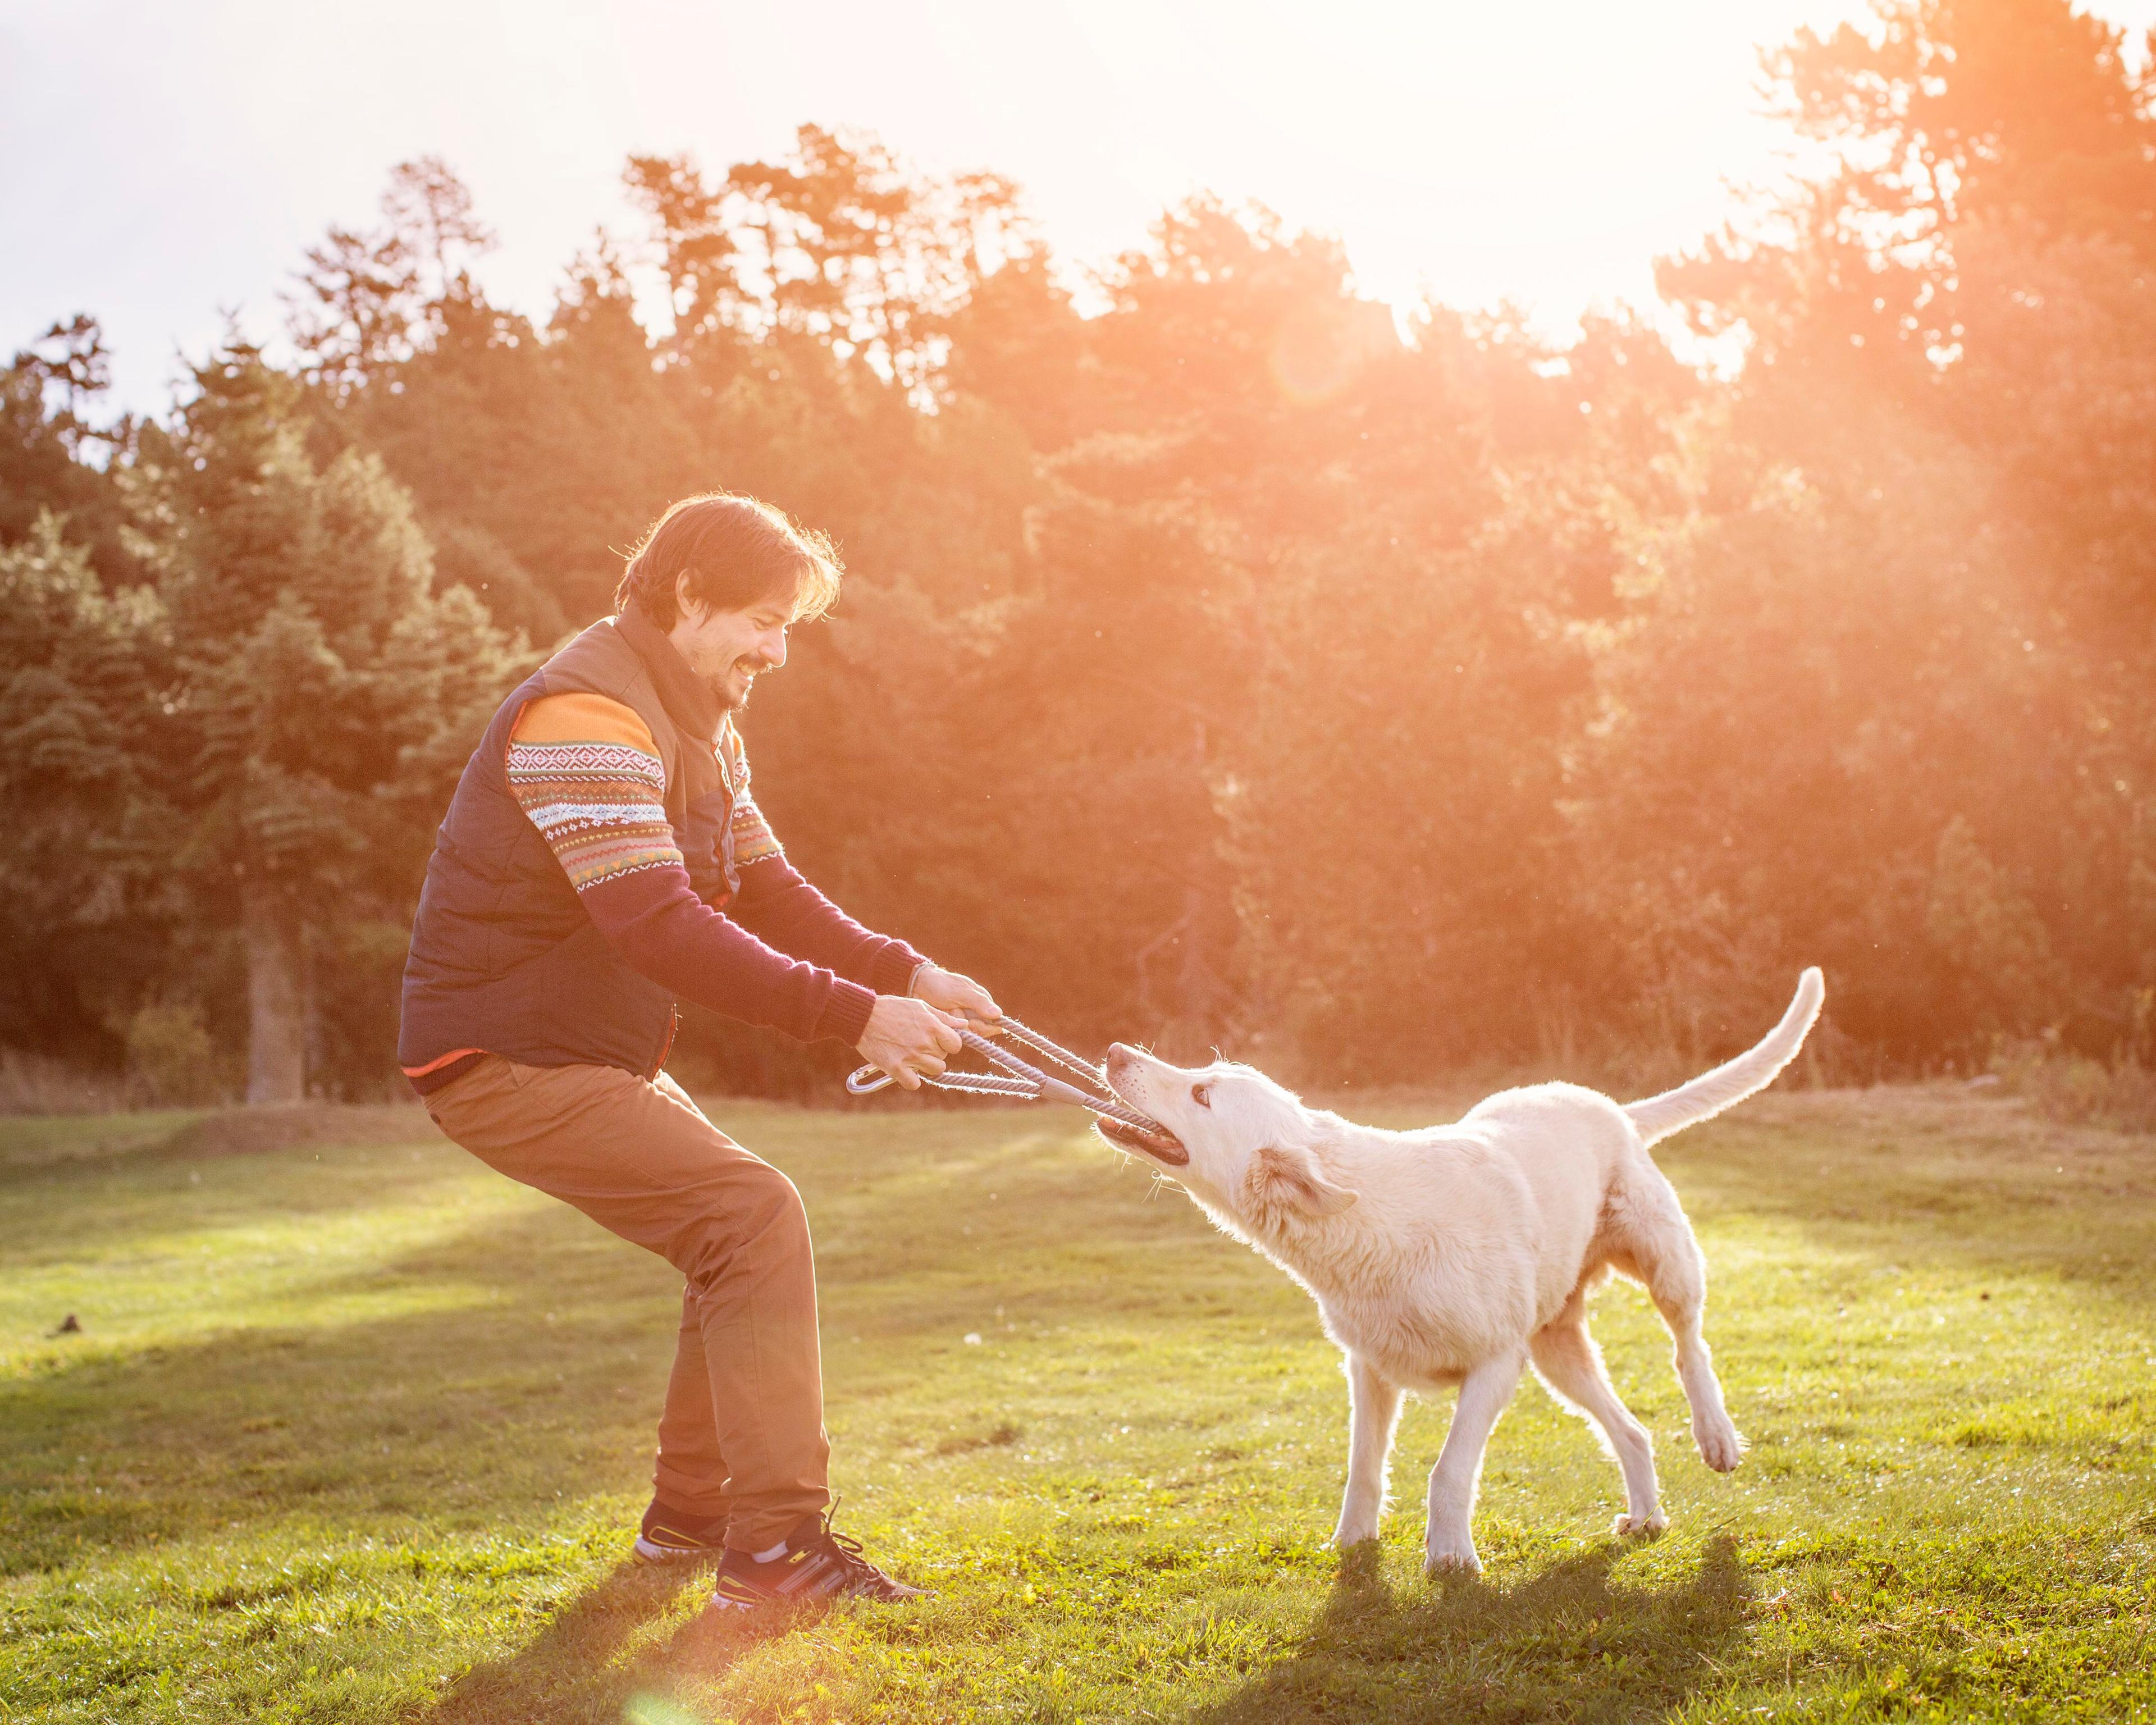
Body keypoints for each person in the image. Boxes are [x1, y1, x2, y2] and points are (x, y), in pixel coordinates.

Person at [398, 491, 998, 1610]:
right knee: (751, 1214)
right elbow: (658, 924)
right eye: (763, 621)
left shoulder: (702, 730)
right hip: (500, 1058)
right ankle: (775, 1551)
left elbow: (770, 887)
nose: (776, 650)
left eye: (788, 628)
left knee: (732, 1233)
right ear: (686, 596)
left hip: (580, 1053)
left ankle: (690, 1523)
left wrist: (908, 974)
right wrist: (856, 1016)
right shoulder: (584, 719)